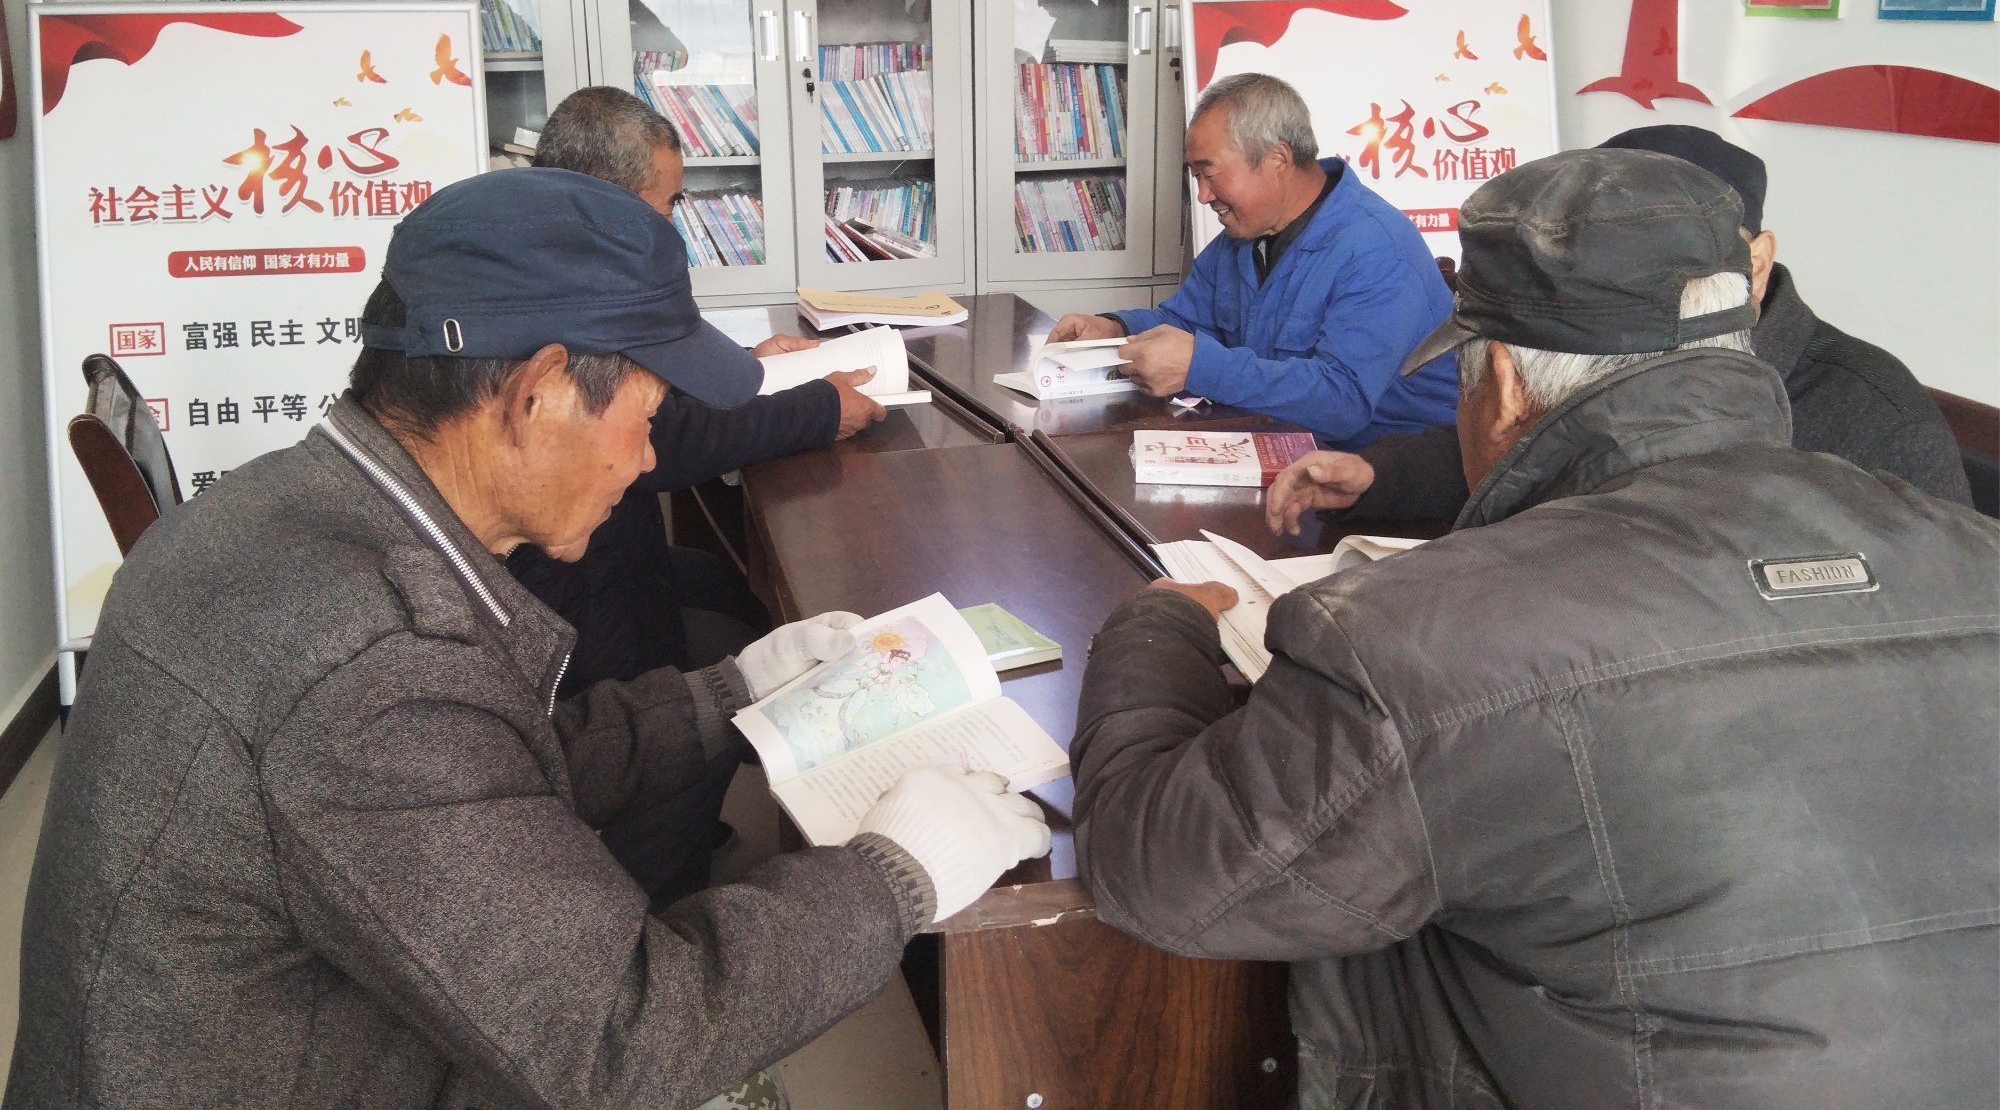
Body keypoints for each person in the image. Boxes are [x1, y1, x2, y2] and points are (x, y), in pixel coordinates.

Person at [7, 168, 1049, 1110]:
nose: (648, 459)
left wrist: (731, 692)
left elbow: (485, 771)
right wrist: (892, 876)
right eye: (645, 413)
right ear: (536, 394)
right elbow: (621, 1043)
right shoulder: (367, 664)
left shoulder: (290, 508)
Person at [1069, 149, 1999, 1108]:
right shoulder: (1971, 549)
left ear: (1504, 385)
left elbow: (1162, 874)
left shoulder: (1424, 644)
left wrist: (1157, 630)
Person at [1271, 123, 1973, 533]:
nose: (1641, 287)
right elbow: (1541, 447)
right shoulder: (1601, 346)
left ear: (1757, 263)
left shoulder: (1877, 417)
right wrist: (1380, 474)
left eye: (1683, 262)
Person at [517, 86, 888, 693]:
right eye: (667, 205)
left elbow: (647, 396)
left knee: (723, 584)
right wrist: (821, 408)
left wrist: (746, 365)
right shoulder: (564, 292)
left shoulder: (550, 257)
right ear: (611, 199)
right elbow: (661, 440)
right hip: (575, 604)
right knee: (752, 639)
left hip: (609, 545)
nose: (672, 227)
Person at [1045, 72, 1457, 447]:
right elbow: (1189, 320)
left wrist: (1200, 367)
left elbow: (1341, 403)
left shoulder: (1377, 250)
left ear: (1278, 158)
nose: (1203, 195)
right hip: (1275, 445)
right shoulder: (1246, 235)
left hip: (1382, 472)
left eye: (1209, 173)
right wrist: (1115, 329)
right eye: (1195, 176)